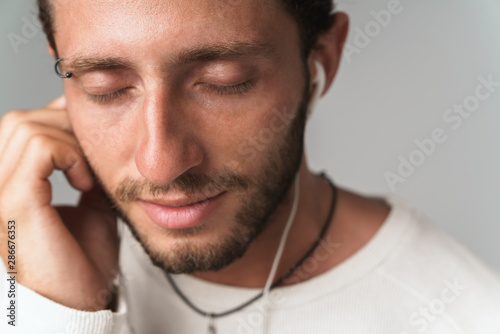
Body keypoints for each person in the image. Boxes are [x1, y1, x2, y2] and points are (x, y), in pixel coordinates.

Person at [1, 0, 499, 333]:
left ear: (320, 59)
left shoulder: (465, 315)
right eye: (103, 86)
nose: (160, 165)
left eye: (223, 81)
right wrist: (51, 315)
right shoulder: (19, 283)